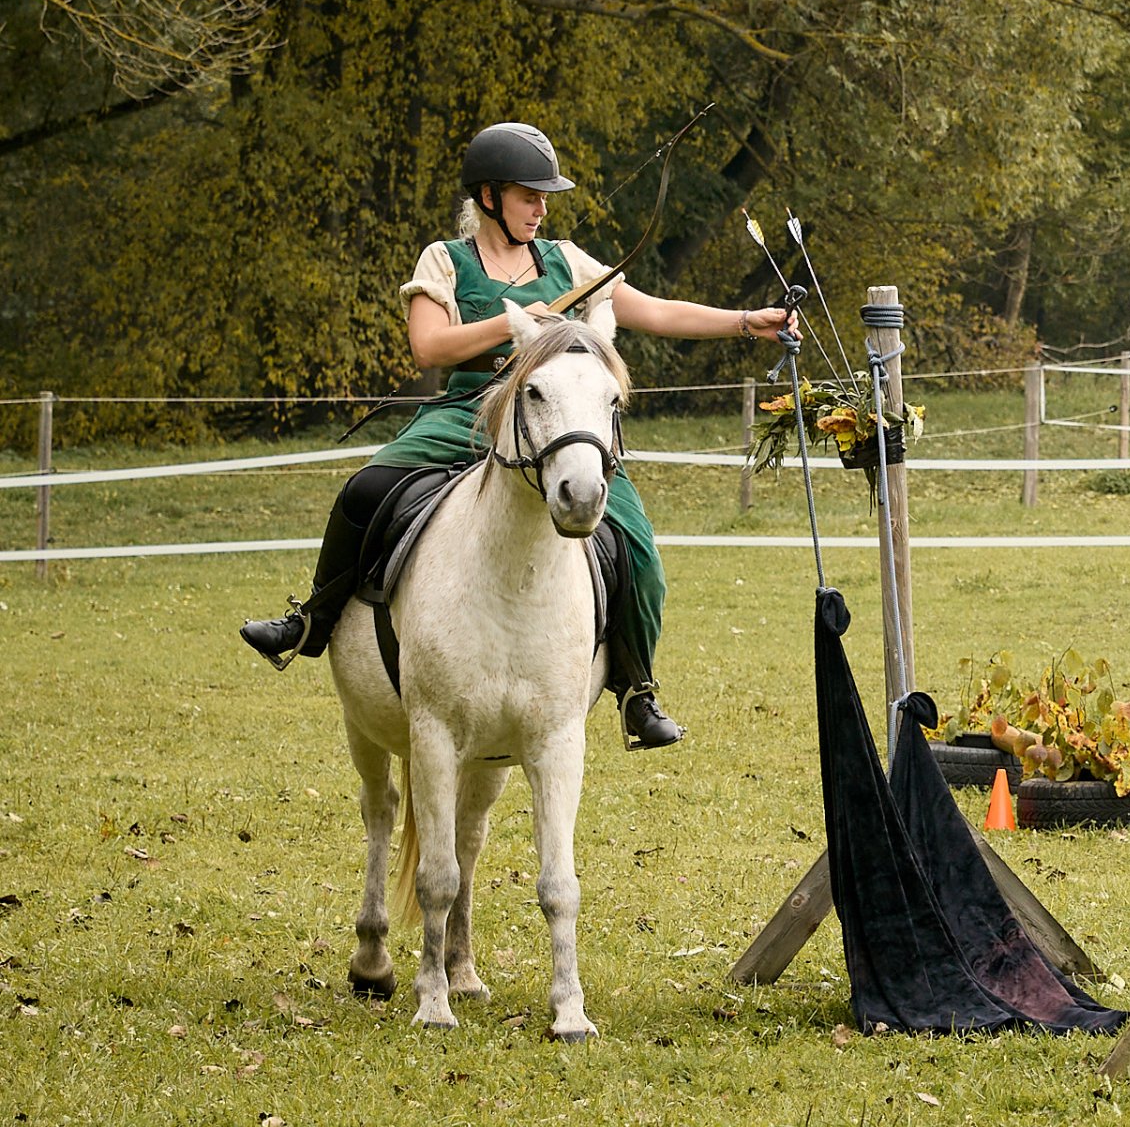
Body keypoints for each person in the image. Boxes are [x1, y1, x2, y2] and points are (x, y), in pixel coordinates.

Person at [241, 121, 794, 748]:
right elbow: (429, 346)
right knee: (363, 491)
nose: (541, 208)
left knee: (638, 548)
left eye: (544, 197)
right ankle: (311, 623)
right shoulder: (445, 259)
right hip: (464, 415)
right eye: (529, 195)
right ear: (489, 199)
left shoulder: (568, 261)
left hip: (553, 425)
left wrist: (748, 321)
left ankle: (637, 689)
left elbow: (655, 311)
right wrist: (515, 325)